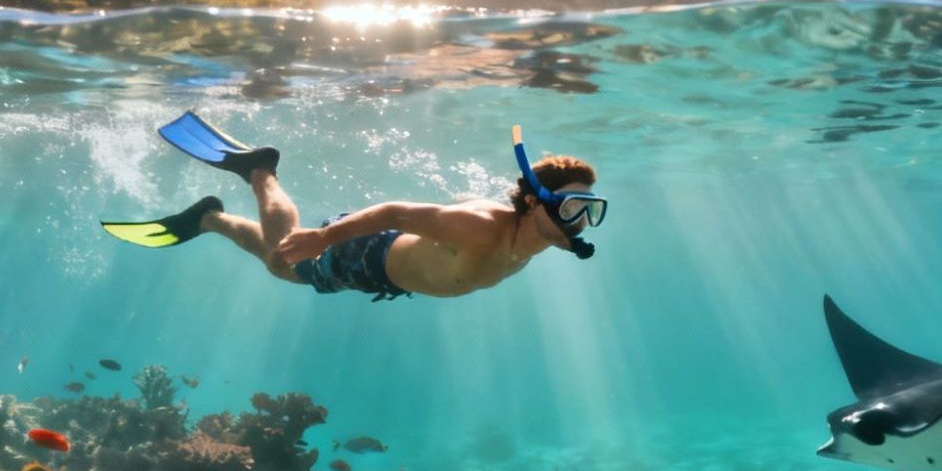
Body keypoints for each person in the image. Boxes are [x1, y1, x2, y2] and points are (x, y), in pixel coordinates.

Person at [102, 114, 604, 300]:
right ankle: (259, 173)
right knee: (283, 261)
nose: (580, 222)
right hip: (364, 254)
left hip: (381, 275)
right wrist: (322, 238)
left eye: (589, 210)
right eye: (572, 206)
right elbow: (394, 212)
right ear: (537, 203)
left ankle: (210, 217)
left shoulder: (538, 239)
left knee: (283, 267)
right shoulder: (479, 228)